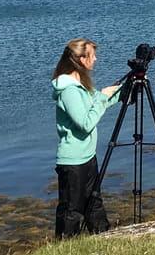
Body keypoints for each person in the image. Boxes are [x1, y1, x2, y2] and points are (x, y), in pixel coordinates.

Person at [51, 38, 124, 238]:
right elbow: (85, 123)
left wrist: (119, 93)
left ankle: (103, 240)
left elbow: (94, 106)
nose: (96, 59)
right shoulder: (68, 90)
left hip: (87, 157)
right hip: (73, 161)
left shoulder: (79, 85)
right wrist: (102, 97)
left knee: (94, 203)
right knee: (71, 211)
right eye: (92, 55)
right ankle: (65, 251)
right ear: (81, 59)